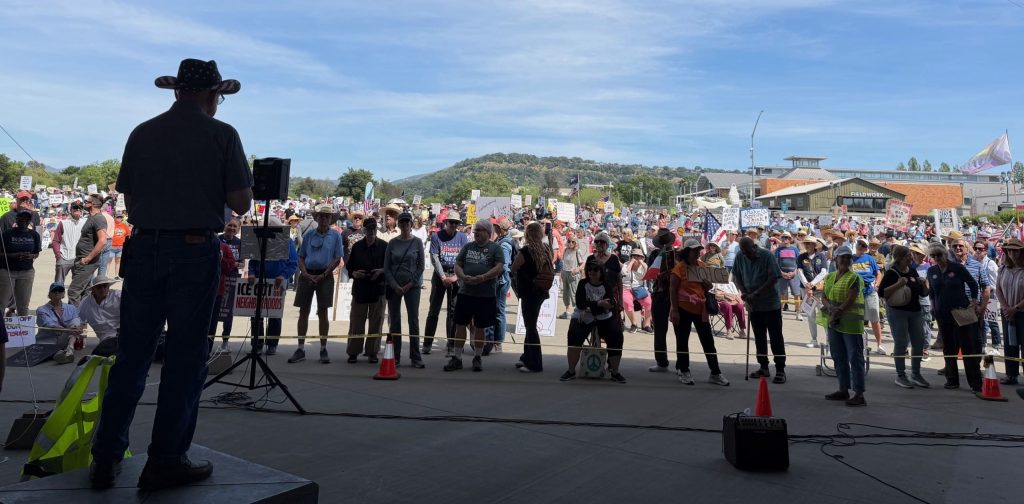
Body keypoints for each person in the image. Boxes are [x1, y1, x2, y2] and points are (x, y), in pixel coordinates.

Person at [91, 58, 253, 490]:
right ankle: (165, 459)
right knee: (184, 359)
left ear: (177, 91)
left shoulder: (142, 132)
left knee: (132, 357)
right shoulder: (222, 135)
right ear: (210, 94)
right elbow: (240, 203)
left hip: (143, 249)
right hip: (193, 251)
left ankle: (105, 456)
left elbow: (129, 190)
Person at [445, 220, 504, 372]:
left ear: (488, 233)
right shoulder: (468, 247)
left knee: (480, 327)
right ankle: (457, 357)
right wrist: (462, 276)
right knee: (459, 325)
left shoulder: (495, 248)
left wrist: (483, 277)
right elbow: (458, 264)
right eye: (475, 230)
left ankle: (477, 357)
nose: (476, 233)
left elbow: (499, 267)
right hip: (466, 293)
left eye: (480, 230)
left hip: (485, 295)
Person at [669, 239, 730, 386]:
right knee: (682, 342)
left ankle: (715, 373)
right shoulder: (679, 268)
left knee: (708, 341)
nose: (698, 252)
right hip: (683, 310)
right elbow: (672, 290)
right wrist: (675, 310)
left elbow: (708, 286)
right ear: (687, 252)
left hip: (701, 310)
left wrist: (706, 283)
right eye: (695, 250)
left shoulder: (702, 265)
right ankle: (684, 371)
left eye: (698, 250)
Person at [289, 204, 344, 364]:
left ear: (330, 219)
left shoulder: (335, 236)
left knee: (323, 312)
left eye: (327, 216)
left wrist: (324, 274)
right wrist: (305, 273)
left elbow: (337, 258)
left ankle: (323, 347)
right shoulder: (309, 235)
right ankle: (300, 348)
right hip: (307, 275)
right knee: (303, 311)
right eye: (321, 216)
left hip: (325, 276)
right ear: (317, 218)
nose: (324, 219)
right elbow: (301, 256)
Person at [926, 242, 984, 394]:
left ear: (945, 254)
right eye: (933, 256)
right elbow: (932, 291)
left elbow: (973, 284)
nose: (936, 258)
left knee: (968, 348)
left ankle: (975, 383)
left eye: (939, 255)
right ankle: (951, 379)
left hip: (961, 312)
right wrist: (933, 306)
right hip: (943, 314)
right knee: (949, 348)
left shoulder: (957, 268)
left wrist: (973, 301)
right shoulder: (931, 271)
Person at [561, 257, 626, 383]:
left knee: (616, 336)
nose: (591, 272)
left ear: (601, 271)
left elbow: (610, 302)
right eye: (589, 269)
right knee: (574, 334)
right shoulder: (582, 284)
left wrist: (594, 306)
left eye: (595, 269)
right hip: (583, 316)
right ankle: (571, 370)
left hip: (603, 316)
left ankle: (615, 371)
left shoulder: (607, 285)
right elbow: (580, 303)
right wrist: (600, 303)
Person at [732, 237, 787, 383]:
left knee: (775, 338)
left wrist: (757, 293)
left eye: (748, 252)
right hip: (753, 305)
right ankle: (764, 367)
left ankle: (780, 370)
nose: (746, 255)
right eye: (743, 252)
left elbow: (774, 277)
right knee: (759, 337)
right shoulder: (740, 256)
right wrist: (743, 292)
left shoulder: (767, 255)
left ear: (754, 247)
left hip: (770, 304)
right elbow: (736, 274)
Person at [819, 245, 867, 405]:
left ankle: (859, 394)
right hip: (834, 322)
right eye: (842, 257)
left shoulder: (854, 278)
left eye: (848, 257)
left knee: (855, 358)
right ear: (836, 259)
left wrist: (836, 311)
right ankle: (843, 389)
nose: (845, 260)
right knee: (838, 356)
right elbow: (824, 296)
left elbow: (850, 300)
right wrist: (830, 308)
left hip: (851, 325)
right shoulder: (830, 277)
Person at [878, 245, 930, 389]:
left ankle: (916, 373)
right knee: (901, 343)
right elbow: (882, 293)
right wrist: (898, 285)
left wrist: (925, 285)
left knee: (919, 343)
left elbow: (923, 293)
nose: (911, 257)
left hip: (915, 311)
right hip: (897, 312)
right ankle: (901, 375)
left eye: (911, 255)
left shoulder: (912, 271)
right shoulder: (892, 273)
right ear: (900, 258)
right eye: (908, 255)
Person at [246, 224, 297, 357]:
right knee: (256, 314)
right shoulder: (258, 239)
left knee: (274, 315)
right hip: (259, 281)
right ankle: (256, 344)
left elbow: (293, 263)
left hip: (277, 283)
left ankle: (272, 344)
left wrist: (283, 275)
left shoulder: (287, 241)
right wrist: (251, 272)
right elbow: (252, 259)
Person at [384, 212, 425, 368]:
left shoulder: (418, 242)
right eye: (402, 222)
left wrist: (409, 284)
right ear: (399, 224)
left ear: (411, 224)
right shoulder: (392, 243)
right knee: (394, 321)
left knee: (413, 321)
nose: (405, 224)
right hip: (394, 286)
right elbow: (386, 267)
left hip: (412, 287)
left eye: (408, 222)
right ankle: (395, 355)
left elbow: (421, 266)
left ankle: (416, 356)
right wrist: (395, 285)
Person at [511, 221, 552, 373]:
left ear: (528, 234)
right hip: (541, 291)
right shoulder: (546, 249)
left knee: (530, 326)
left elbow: (514, 267)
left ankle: (535, 363)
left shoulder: (526, 251)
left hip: (529, 291)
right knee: (530, 324)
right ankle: (526, 357)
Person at [423, 215, 468, 354]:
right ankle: (427, 343)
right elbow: (434, 257)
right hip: (439, 276)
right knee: (433, 310)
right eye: (451, 222)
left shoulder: (462, 237)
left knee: (453, 312)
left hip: (456, 276)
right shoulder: (437, 236)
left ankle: (451, 344)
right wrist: (443, 276)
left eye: (456, 223)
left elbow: (464, 259)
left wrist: (455, 276)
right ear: (446, 223)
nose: (453, 225)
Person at [345, 217, 386, 364]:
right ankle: (353, 352)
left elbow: (390, 267)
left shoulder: (384, 246)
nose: (371, 232)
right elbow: (349, 267)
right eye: (368, 229)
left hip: (378, 289)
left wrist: (381, 271)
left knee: (376, 323)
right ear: (364, 230)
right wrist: (354, 274)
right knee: (356, 323)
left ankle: (372, 352)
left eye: (373, 229)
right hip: (360, 289)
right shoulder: (357, 246)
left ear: (376, 230)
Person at [68, 194, 108, 306]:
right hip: (83, 260)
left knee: (73, 291)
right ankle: (82, 320)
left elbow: (103, 241)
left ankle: (74, 320)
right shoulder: (91, 217)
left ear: (93, 204)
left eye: (87, 201)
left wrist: (87, 258)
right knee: (84, 292)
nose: (84, 202)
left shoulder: (99, 218)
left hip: (87, 262)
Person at [0, 210, 41, 316]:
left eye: (27, 219)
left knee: (23, 305)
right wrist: (13, 255)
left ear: (30, 221)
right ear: (16, 220)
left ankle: (23, 331)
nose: (24, 221)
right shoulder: (7, 234)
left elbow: (36, 253)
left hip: (26, 272)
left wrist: (31, 256)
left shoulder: (34, 235)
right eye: (21, 218)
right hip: (8, 271)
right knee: (2, 303)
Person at [483, 219, 515, 354]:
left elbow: (504, 266)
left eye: (495, 227)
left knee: (499, 311)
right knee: (495, 310)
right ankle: (494, 341)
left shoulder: (504, 244)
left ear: (500, 229)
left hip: (500, 281)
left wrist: (490, 274)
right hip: (499, 281)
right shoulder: (502, 241)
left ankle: (498, 342)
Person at [995, 238, 1024, 385]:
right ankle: (1011, 375)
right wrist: (1006, 307)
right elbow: (998, 289)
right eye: (1009, 250)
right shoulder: (1003, 268)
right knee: (1009, 344)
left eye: (1015, 250)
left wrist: (1016, 308)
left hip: (1022, 313)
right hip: (1007, 313)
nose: (1012, 253)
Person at [36, 282, 84, 364]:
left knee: (75, 327)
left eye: (60, 290)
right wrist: (69, 330)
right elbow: (51, 326)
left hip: (65, 339)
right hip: (48, 340)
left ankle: (69, 350)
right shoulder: (41, 310)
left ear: (63, 294)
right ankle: (65, 354)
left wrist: (76, 328)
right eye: (54, 291)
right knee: (72, 330)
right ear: (49, 294)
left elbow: (76, 321)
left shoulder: (71, 308)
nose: (57, 292)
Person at [851, 238, 885, 355]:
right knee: (857, 320)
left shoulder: (870, 258)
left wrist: (877, 285)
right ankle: (859, 344)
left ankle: (879, 344)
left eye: (864, 246)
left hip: (870, 291)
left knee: (875, 319)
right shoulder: (851, 258)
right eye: (859, 244)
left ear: (866, 248)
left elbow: (878, 273)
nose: (861, 247)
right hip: (855, 292)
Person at [79, 276, 122, 357]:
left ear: (108, 287)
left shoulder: (117, 295)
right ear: (93, 290)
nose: (102, 289)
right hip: (106, 338)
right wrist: (78, 329)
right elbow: (79, 320)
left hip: (123, 333)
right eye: (99, 287)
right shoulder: (86, 302)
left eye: (105, 286)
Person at [797, 236, 828, 348]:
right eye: (806, 243)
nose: (807, 245)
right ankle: (814, 339)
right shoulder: (801, 257)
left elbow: (824, 272)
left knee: (824, 314)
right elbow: (799, 272)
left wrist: (812, 284)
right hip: (805, 289)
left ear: (815, 245)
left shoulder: (821, 256)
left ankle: (829, 340)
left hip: (819, 289)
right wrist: (807, 285)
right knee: (811, 315)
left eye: (810, 243)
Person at [208, 236, 237, 353]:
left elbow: (230, 266)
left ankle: (207, 350)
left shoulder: (224, 247)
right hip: (197, 291)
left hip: (217, 291)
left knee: (212, 323)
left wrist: (221, 258)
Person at [972, 239, 1001, 350]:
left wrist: (990, 292)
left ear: (986, 251)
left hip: (989, 295)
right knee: (981, 322)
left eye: (981, 249)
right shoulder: (973, 261)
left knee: (991, 321)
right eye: (976, 249)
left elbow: (996, 281)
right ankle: (982, 344)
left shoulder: (990, 263)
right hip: (978, 295)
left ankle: (996, 344)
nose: (978, 251)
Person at [50, 202, 86, 284]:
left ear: (82, 211)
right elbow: (56, 241)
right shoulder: (63, 223)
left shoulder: (85, 223)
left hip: (79, 259)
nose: (77, 210)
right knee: (58, 285)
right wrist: (58, 256)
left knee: (78, 286)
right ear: (71, 210)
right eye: (75, 208)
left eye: (79, 208)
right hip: (64, 257)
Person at [622, 249, 652, 333]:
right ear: (631, 257)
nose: (636, 258)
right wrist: (631, 263)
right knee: (627, 303)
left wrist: (644, 266)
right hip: (626, 288)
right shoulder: (626, 264)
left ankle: (646, 324)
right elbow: (624, 273)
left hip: (639, 288)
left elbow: (646, 276)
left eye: (639, 256)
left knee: (649, 303)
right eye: (634, 256)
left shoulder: (643, 266)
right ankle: (634, 324)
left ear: (642, 258)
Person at [774, 232, 802, 318]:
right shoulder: (778, 250)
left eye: (787, 237)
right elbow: (775, 263)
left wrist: (794, 272)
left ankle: (798, 313)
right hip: (782, 275)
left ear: (790, 239)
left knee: (797, 294)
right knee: (782, 294)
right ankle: (780, 312)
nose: (785, 239)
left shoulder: (795, 249)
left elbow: (799, 263)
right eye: (783, 237)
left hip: (794, 275)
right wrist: (782, 273)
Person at [559, 232, 586, 320]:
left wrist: (577, 269)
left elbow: (582, 263)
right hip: (565, 272)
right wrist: (562, 272)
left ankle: (578, 312)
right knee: (565, 293)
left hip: (573, 274)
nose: (571, 243)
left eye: (573, 242)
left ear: (576, 243)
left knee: (574, 293)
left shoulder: (577, 251)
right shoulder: (566, 250)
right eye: (569, 241)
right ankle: (567, 311)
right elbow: (563, 262)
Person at [110, 213, 131, 279]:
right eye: (117, 217)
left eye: (120, 217)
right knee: (108, 261)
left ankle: (116, 275)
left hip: (120, 247)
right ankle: (106, 276)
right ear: (114, 217)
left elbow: (128, 235)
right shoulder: (112, 225)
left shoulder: (125, 226)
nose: (119, 219)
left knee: (118, 261)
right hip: (111, 246)